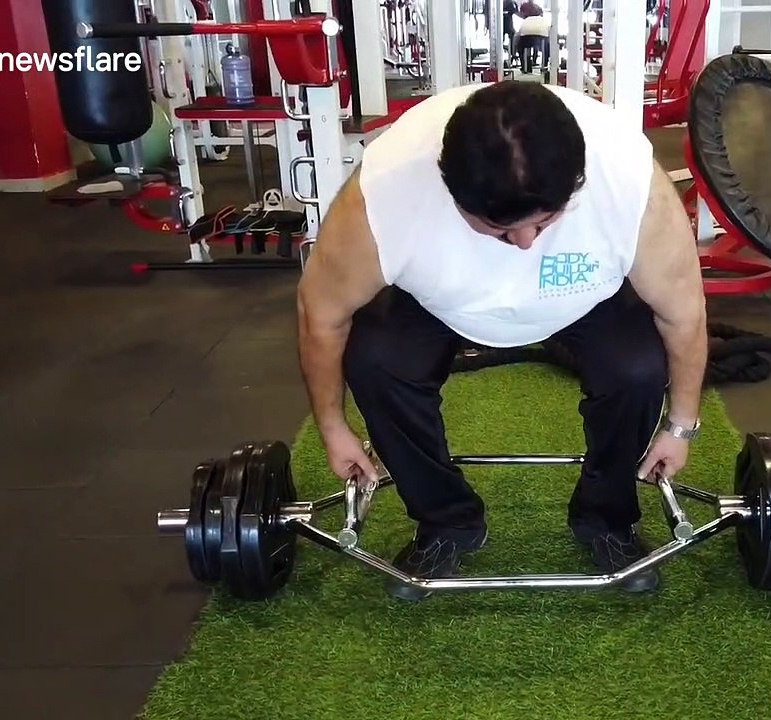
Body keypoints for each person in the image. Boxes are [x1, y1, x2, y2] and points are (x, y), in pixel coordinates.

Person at [297, 80, 708, 601]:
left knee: (636, 368)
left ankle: (607, 518)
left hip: (584, 295)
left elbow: (683, 313)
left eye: (546, 220)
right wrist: (332, 426)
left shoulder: (629, 181)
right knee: (378, 361)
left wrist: (682, 426)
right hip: (436, 298)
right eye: (498, 230)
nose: (525, 244)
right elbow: (322, 316)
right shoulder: (385, 193)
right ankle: (446, 520)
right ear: (449, 191)